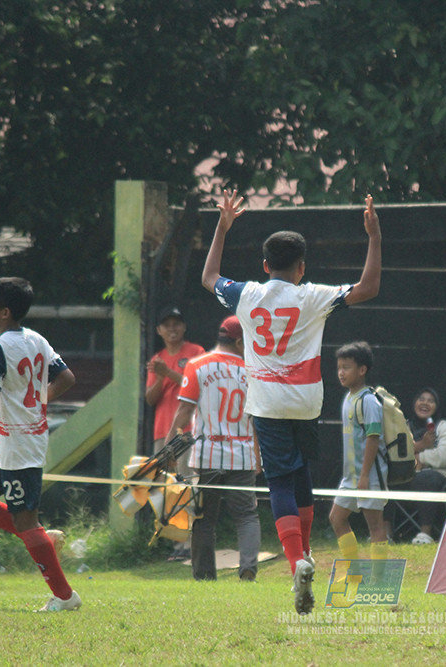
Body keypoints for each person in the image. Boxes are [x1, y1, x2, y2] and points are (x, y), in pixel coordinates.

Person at [202, 189, 381, 615]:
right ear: (302, 267)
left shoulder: (246, 294)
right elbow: (369, 287)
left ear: (265, 266)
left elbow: (209, 277)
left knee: (280, 481)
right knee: (301, 474)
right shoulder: (314, 295)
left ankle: (297, 559)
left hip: (267, 404)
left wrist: (222, 228)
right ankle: (307, 554)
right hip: (306, 403)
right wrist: (374, 236)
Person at [0, 277, 80, 612]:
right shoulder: (36, 339)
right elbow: (66, 377)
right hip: (9, 442)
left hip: (22, 446)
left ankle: (66, 597)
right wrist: (40, 401)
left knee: (25, 521)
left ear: (5, 312)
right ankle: (40, 537)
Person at [165, 315, 261, 583]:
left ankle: (204, 576)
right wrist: (257, 456)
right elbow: (256, 419)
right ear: (239, 342)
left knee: (204, 518)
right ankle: (248, 568)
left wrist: (169, 449)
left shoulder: (197, 365)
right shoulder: (253, 371)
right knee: (247, 516)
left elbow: (185, 411)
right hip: (242, 455)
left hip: (207, 454)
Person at [329, 342, 389, 568]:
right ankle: (354, 569)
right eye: (339, 367)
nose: (341, 373)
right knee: (336, 518)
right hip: (350, 478)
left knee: (375, 526)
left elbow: (373, 438)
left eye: (346, 367)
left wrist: (364, 476)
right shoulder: (348, 398)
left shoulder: (368, 400)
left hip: (369, 476)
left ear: (362, 370)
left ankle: (378, 577)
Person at [384, 387, 446, 544]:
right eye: (421, 399)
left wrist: (421, 458)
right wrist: (420, 448)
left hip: (438, 480)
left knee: (427, 478)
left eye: (430, 401)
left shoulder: (443, 426)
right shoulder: (404, 426)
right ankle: (385, 533)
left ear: (437, 406)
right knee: (384, 476)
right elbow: (393, 452)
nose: (425, 403)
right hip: (406, 477)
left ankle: (425, 534)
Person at [145, 306, 205, 456]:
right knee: (161, 471)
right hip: (163, 431)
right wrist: (160, 379)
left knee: (185, 472)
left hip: (189, 430)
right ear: (159, 330)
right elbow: (150, 399)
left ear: (184, 327)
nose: (172, 329)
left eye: (176, 324)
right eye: (167, 325)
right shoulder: (157, 359)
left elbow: (200, 387)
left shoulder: (196, 352)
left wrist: (168, 372)